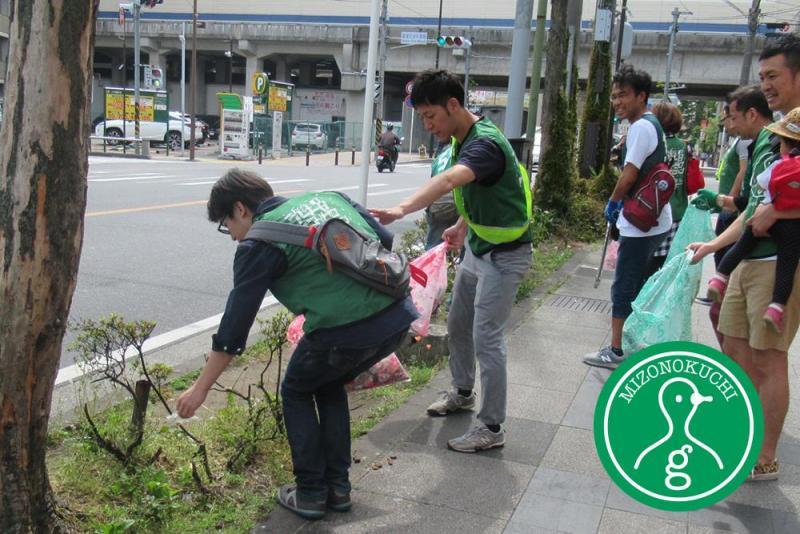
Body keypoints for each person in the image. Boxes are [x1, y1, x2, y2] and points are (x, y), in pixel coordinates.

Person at [175, 169, 418, 519]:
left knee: (297, 390)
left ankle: (311, 493)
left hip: (347, 331)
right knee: (326, 381)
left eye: (226, 225)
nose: (231, 236)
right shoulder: (330, 198)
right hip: (397, 314)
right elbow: (383, 239)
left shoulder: (258, 242)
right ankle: (338, 489)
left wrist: (199, 390)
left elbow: (233, 329)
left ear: (241, 209)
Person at [370, 69, 533, 453]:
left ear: (454, 105)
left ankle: (491, 428)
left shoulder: (484, 144)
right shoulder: (464, 138)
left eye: (430, 116)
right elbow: (480, 190)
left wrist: (402, 207)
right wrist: (462, 225)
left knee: (486, 337)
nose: (427, 125)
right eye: (422, 117)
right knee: (459, 324)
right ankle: (462, 391)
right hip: (479, 246)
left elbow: (449, 182)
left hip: (506, 256)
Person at [688, 34, 800, 481]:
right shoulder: (772, 137)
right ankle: (742, 431)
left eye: (773, 76)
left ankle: (766, 457)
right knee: (734, 347)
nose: (766, 85)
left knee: (769, 357)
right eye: (762, 77)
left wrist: (783, 210)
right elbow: (753, 209)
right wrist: (715, 248)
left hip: (781, 264)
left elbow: (773, 209)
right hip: (746, 259)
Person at [582, 65, 671, 370]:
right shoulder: (651, 124)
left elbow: (630, 173)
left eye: (623, 96)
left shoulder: (641, 127)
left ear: (641, 96)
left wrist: (613, 200)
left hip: (640, 223)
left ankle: (616, 351)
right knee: (638, 284)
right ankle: (633, 339)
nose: (617, 102)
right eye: (614, 96)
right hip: (654, 219)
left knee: (624, 285)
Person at [705, 109, 800, 333]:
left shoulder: (777, 162)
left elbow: (760, 184)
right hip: (791, 230)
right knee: (788, 263)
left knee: (741, 246)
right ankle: (776, 307)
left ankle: (719, 277)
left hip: (759, 218)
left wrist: (771, 208)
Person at [692, 87, 770, 344]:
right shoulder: (757, 142)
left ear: (751, 114)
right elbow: (751, 204)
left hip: (768, 259)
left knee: (764, 359)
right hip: (751, 253)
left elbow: (754, 203)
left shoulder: (770, 143)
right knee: (726, 325)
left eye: (733, 118)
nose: (731, 125)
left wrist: (724, 201)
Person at [644, 102, 688, 277]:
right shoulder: (684, 146)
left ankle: (644, 300)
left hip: (654, 210)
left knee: (648, 264)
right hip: (677, 210)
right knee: (667, 264)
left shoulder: (656, 144)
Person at [424, 142, 460, 250]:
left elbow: (433, 181)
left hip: (437, 207)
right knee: (464, 247)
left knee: (433, 249)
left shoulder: (440, 158)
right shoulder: (465, 150)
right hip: (457, 204)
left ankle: (428, 264)